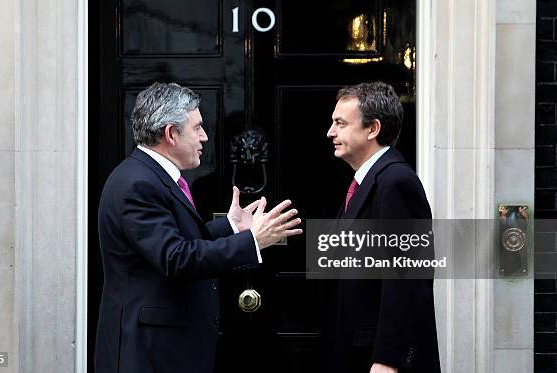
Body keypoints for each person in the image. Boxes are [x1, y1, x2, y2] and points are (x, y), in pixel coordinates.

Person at [95, 82, 303, 373]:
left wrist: (230, 226)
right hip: (148, 353)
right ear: (170, 133)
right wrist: (252, 241)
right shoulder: (138, 184)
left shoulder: (149, 176)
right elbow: (176, 258)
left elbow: (174, 241)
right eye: (197, 128)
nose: (205, 137)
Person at [326, 82, 440, 373]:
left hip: (378, 360)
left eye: (340, 123)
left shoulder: (396, 183)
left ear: (372, 129)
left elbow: (408, 279)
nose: (331, 132)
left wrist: (389, 359)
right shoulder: (367, 182)